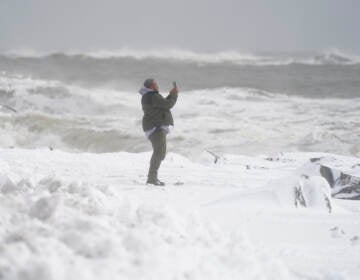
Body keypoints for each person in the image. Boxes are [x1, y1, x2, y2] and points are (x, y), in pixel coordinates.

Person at [139, 78, 179, 186]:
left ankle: (152, 178)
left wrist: (171, 95)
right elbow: (168, 105)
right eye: (156, 84)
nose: (158, 85)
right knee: (159, 153)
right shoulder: (152, 96)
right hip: (156, 127)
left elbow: (163, 104)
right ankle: (152, 178)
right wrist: (174, 95)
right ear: (152, 86)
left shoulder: (150, 96)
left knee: (160, 153)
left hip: (154, 127)